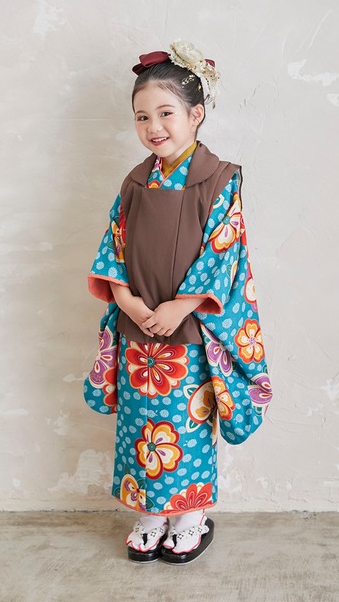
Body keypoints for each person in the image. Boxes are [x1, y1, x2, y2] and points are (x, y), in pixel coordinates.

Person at [84, 40, 272, 564]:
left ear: (196, 114)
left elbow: (223, 251)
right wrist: (126, 300)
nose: (154, 126)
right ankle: (149, 514)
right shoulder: (135, 181)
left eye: (166, 113)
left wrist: (181, 306)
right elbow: (114, 247)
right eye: (142, 116)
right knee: (139, 426)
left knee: (184, 426)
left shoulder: (220, 178)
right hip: (138, 324)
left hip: (189, 328)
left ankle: (191, 516)